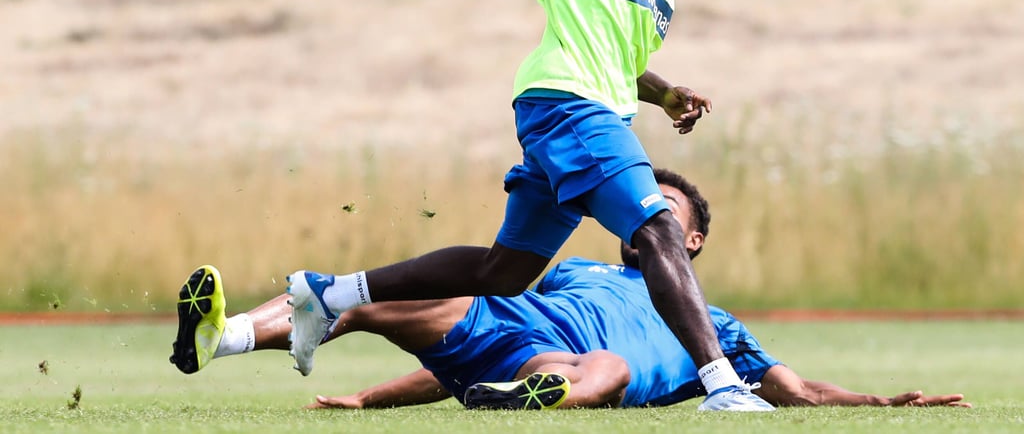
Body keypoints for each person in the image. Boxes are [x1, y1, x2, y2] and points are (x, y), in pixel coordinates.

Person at [280, 0, 770, 412]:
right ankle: (724, 385)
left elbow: (611, 38)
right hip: (568, 104)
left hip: (594, 102)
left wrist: (663, 92)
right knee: (657, 229)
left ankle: (331, 294)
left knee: (503, 273)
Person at [169, 169, 971, 411]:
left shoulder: (713, 326)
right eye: (632, 203)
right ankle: (227, 335)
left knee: (607, 371)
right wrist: (370, 402)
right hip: (496, 325)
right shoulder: (576, 268)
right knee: (367, 296)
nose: (636, 212)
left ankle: (525, 399)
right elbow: (461, 353)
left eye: (658, 208)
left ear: (689, 238)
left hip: (566, 361)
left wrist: (876, 407)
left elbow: (789, 386)